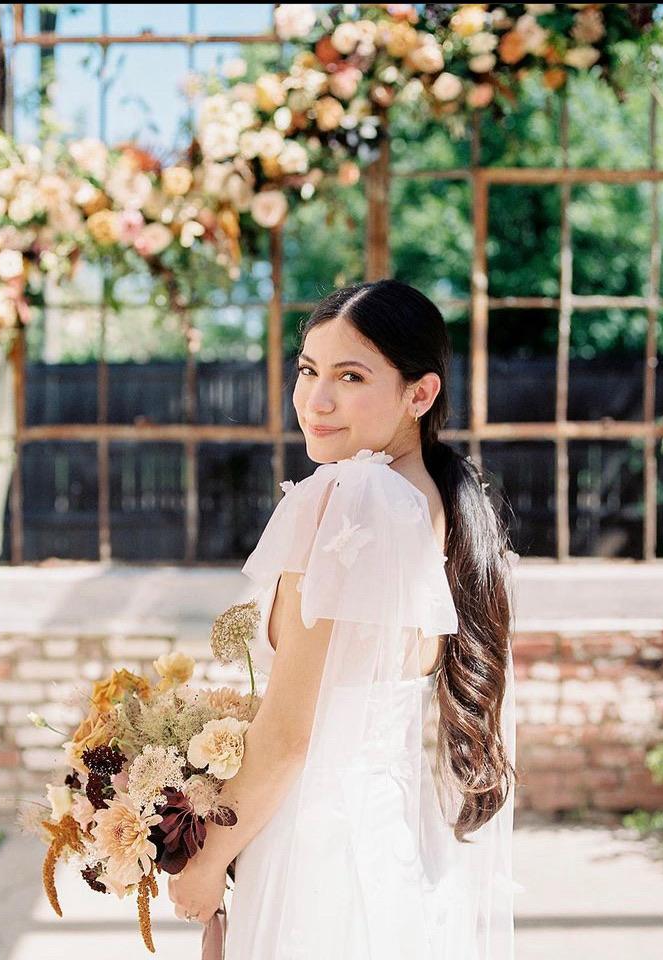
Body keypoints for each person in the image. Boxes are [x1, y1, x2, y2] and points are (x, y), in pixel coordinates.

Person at [168, 278, 519, 958]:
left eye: (350, 376)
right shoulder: (435, 500)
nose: (316, 401)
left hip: (316, 850)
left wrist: (207, 862)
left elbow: (291, 734)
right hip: (394, 840)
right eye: (308, 371)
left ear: (420, 394)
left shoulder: (350, 494)